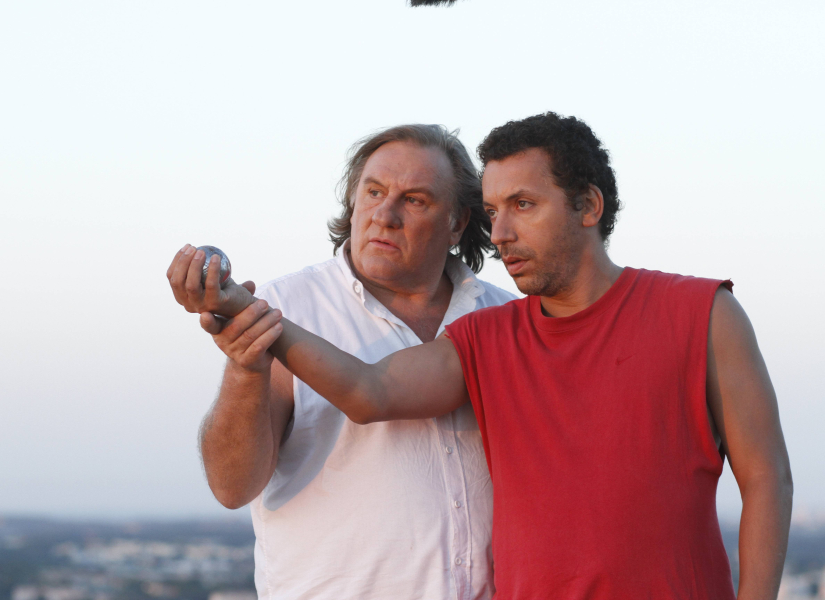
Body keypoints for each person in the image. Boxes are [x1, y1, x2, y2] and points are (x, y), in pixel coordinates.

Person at [192, 113, 793, 599]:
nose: (501, 233)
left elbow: (766, 478)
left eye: (522, 205)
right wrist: (247, 316)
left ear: (588, 206)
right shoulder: (485, 334)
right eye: (495, 211)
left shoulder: (700, 313)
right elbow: (367, 393)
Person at [167, 124, 515, 599]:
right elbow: (232, 487)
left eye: (414, 200)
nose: (385, 215)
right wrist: (246, 371)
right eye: (373, 192)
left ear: (458, 222)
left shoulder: (506, 317)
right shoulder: (284, 307)